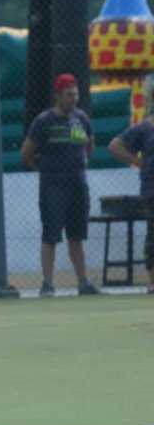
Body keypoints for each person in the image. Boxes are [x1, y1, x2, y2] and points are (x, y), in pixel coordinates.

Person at [20, 73, 101, 297]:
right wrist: (44, 167)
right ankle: (48, 283)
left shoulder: (82, 118)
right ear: (58, 95)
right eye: (69, 95)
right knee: (51, 235)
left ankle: (83, 282)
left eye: (76, 94)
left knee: (77, 235)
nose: (74, 99)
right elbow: (27, 153)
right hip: (53, 185)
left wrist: (78, 164)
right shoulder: (44, 121)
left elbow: (89, 145)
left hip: (78, 183)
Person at [109, 113, 154, 293]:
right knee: (153, 234)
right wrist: (138, 162)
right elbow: (115, 146)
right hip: (152, 189)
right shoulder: (145, 128)